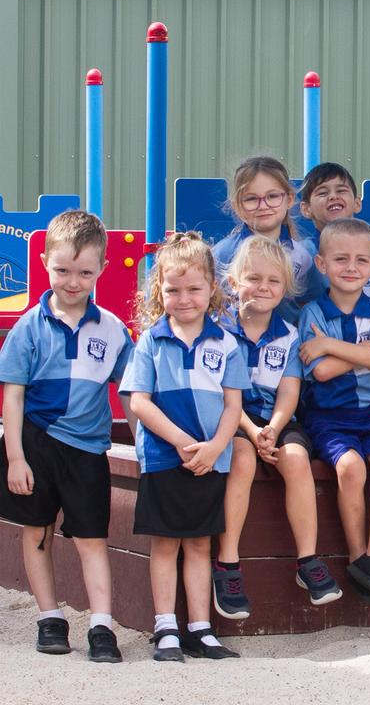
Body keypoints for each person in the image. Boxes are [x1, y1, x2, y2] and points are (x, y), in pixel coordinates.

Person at [0, 210, 134, 662]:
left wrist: (144, 443)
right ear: (46, 262)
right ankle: (49, 618)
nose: (73, 281)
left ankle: (101, 626)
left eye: (85, 272)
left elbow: (129, 392)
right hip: (35, 443)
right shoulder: (30, 326)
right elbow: (11, 396)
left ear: (101, 270)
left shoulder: (111, 329)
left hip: (87, 449)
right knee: (37, 532)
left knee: (92, 537)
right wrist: (15, 458)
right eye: (63, 270)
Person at [121, 231, 249, 661]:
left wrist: (213, 447)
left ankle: (200, 627)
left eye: (194, 288)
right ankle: (166, 627)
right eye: (173, 290)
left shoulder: (226, 344)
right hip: (163, 458)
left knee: (199, 543)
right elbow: (139, 401)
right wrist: (181, 442)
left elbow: (234, 405)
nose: (184, 298)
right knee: (165, 543)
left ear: (212, 288)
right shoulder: (150, 342)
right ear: (159, 290)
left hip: (210, 460)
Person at [213, 235, 342, 621]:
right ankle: (228, 564)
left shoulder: (287, 334)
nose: (263, 288)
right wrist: (253, 433)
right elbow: (222, 395)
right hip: (231, 420)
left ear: (284, 288)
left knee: (297, 458)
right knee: (241, 459)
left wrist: (273, 428)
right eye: (253, 279)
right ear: (234, 283)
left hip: (275, 419)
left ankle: (307, 560)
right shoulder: (218, 330)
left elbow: (289, 390)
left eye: (273, 282)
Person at [297, 218, 370, 603]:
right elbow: (321, 372)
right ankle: (357, 554)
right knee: (351, 468)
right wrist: (368, 354)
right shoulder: (313, 312)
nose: (351, 267)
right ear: (321, 264)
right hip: (328, 418)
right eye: (340, 259)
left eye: (362, 260)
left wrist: (332, 346)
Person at [211, 156, 323, 322]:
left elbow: (312, 305)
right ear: (237, 206)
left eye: (272, 196)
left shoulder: (303, 257)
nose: (263, 206)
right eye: (251, 199)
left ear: (289, 199)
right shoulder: (223, 253)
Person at [298, 162, 370, 299]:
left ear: (357, 204)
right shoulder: (301, 254)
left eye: (341, 191)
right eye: (323, 193)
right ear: (306, 209)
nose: (333, 196)